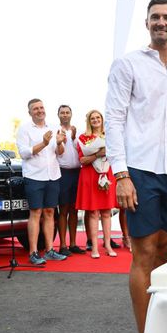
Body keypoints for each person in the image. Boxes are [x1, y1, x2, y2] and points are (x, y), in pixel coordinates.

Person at [105, 0, 167, 333]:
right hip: (139, 170)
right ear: (147, 24)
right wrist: (121, 174)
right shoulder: (128, 64)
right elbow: (113, 118)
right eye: (155, 17)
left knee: (163, 253)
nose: (161, 22)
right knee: (143, 254)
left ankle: (160, 331)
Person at [15, 99, 68, 265]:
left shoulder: (53, 127)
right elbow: (24, 153)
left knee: (50, 213)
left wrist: (59, 143)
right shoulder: (24, 129)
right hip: (34, 176)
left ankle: (50, 249)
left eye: (41, 107)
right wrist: (44, 143)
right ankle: (33, 252)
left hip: (52, 175)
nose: (39, 111)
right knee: (36, 213)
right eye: (35, 109)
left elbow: (60, 153)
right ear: (30, 112)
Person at [76, 110, 118, 258]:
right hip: (90, 175)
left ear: (102, 119)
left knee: (106, 212)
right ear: (89, 121)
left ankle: (107, 245)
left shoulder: (110, 136)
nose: (95, 120)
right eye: (92, 118)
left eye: (98, 117)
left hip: (107, 174)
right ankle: (94, 247)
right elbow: (82, 160)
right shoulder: (83, 137)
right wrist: (97, 154)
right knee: (93, 212)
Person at [55, 105, 84, 255]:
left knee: (74, 209)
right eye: (62, 112)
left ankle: (73, 243)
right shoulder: (56, 130)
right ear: (58, 115)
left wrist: (73, 138)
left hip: (77, 172)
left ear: (71, 114)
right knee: (64, 209)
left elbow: (81, 150)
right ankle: (62, 245)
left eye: (67, 112)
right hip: (63, 172)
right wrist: (62, 141)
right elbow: (57, 151)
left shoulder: (76, 131)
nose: (65, 115)